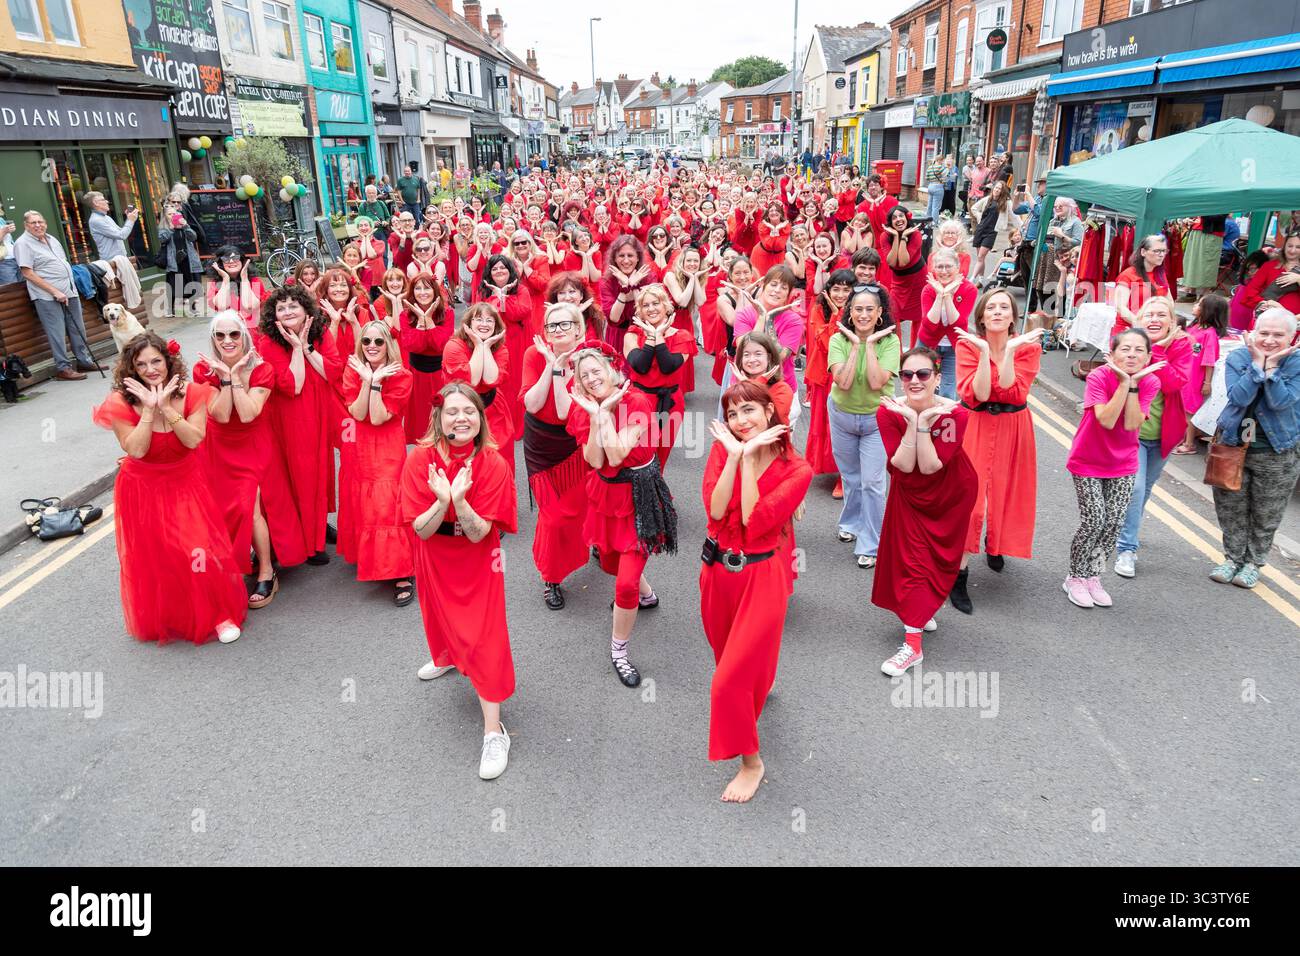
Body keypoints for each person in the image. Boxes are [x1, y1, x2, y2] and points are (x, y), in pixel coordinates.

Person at [91, 332, 246, 645]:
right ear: (132, 370)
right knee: (160, 555)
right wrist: (149, 411)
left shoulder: (193, 392)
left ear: (168, 361)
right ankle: (177, 614)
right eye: (141, 364)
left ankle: (218, 616)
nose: (151, 369)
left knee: (198, 547)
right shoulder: (121, 402)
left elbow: (193, 439)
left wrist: (167, 407)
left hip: (184, 480)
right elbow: (135, 449)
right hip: (141, 486)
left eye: (156, 361)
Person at [401, 383, 518, 780]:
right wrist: (440, 501)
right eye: (451, 411)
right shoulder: (420, 459)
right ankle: (450, 656)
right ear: (438, 418)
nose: (460, 418)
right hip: (434, 552)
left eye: (468, 411)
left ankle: (494, 731)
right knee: (441, 617)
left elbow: (477, 532)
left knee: (485, 637)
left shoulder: (493, 463)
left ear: (480, 419)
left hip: (478, 556)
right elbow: (419, 529)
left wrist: (460, 501)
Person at [701, 380, 811, 803]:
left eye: (749, 410)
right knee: (731, 660)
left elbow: (753, 519)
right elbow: (714, 508)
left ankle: (751, 762)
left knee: (725, 683)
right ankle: (754, 697)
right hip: (717, 574)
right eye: (732, 414)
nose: (740, 421)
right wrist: (734, 456)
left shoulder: (797, 470)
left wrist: (745, 459)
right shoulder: (721, 450)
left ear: (769, 413)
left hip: (762, 577)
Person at [567, 344, 677, 688]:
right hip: (606, 494)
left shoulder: (638, 402)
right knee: (611, 565)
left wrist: (602, 415)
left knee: (623, 582)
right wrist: (598, 414)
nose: (591, 378)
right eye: (584, 376)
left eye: (596, 371)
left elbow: (615, 453)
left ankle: (619, 652)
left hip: (639, 495)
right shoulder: (586, 408)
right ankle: (647, 596)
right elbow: (596, 461)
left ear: (611, 371)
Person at [873, 347, 977, 676]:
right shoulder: (888, 412)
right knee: (911, 558)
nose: (914, 380)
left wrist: (920, 423)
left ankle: (913, 643)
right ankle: (917, 624)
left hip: (950, 493)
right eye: (907, 375)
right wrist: (914, 421)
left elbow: (931, 465)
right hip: (909, 492)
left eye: (922, 374)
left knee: (933, 557)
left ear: (937, 378)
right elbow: (904, 464)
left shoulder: (955, 415)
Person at [951, 290, 1043, 614]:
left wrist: (1009, 350)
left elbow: (1010, 390)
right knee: (972, 503)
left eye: (1004, 307)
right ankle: (958, 574)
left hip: (1012, 425)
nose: (998, 312)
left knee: (1006, 493)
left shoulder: (1028, 347)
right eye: (991, 307)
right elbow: (978, 393)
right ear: (981, 316)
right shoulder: (967, 345)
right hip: (976, 423)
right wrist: (982, 353)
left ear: (1013, 315)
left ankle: (996, 544)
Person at [1064, 328, 1165, 608]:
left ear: (1147, 357)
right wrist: (1124, 383)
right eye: (1125, 349)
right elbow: (1107, 420)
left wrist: (1134, 385)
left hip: (1124, 463)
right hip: (1088, 460)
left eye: (1138, 350)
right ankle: (1075, 576)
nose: (1132, 355)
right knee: (1094, 520)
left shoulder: (1151, 382)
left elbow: (1133, 423)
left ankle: (1093, 576)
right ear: (1112, 354)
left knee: (1113, 524)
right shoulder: (1098, 376)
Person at [1209, 308, 1300, 589]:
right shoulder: (1238, 357)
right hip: (1232, 443)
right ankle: (1232, 559)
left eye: (1278, 335)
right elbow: (1238, 396)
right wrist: (1257, 366)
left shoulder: (1296, 364)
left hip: (1276, 450)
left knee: (1266, 512)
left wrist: (1272, 369)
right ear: (1253, 333)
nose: (1270, 340)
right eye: (1264, 333)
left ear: (1292, 336)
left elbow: (1281, 402)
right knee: (1230, 508)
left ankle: (1253, 563)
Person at [192, 311, 278, 608]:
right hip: (217, 447)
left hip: (251, 445)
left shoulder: (263, 369)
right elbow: (220, 414)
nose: (227, 341)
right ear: (213, 340)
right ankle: (231, 566)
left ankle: (266, 570)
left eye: (233, 334)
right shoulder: (203, 370)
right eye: (220, 335)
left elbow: (247, 413)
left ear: (244, 335)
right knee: (221, 510)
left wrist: (232, 377)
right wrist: (226, 377)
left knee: (248, 507)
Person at [256, 284, 342, 568]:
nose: (288, 311)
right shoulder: (268, 343)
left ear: (307, 310)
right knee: (293, 479)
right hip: (286, 420)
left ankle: (315, 535)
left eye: (294, 305)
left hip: (316, 415)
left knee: (317, 477)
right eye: (281, 308)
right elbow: (293, 385)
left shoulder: (321, 333)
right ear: (274, 316)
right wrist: (295, 349)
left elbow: (333, 371)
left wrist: (305, 346)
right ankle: (298, 541)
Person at [1112, 297, 1193, 578]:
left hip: (1163, 435)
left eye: (1162, 315)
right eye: (1149, 314)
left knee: (1143, 490)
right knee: (1134, 489)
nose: (1155, 319)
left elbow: (1173, 384)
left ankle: (1124, 527)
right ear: (1139, 319)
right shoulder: (1130, 344)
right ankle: (1126, 549)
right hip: (1132, 433)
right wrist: (1148, 348)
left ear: (1173, 322)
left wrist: (1155, 351)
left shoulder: (1182, 346)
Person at [338, 320, 414, 605]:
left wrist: (375, 383)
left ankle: (401, 570)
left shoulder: (403, 375)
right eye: (366, 342)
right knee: (366, 502)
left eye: (378, 342)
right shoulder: (353, 370)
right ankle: (373, 558)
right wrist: (368, 381)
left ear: (388, 345)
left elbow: (379, 416)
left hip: (388, 445)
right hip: (359, 445)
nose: (371, 346)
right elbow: (359, 414)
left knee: (387, 504)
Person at [521, 302, 590, 610]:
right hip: (541, 444)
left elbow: (566, 412)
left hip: (576, 443)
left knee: (577, 509)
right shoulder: (534, 355)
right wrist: (551, 366)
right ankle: (551, 578)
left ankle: (591, 546)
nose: (557, 330)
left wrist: (562, 366)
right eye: (551, 326)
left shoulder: (590, 359)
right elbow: (532, 404)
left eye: (565, 324)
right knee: (553, 517)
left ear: (579, 329)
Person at [827, 287, 900, 569]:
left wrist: (869, 346)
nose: (864, 315)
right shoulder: (838, 340)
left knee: (872, 483)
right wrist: (856, 344)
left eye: (870, 309)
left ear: (880, 313)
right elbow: (843, 383)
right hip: (842, 415)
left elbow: (875, 382)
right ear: (850, 312)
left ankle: (870, 542)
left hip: (876, 419)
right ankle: (851, 522)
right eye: (858, 309)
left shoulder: (890, 342)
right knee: (851, 477)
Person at [12, 211, 96, 380]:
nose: (37, 225)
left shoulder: (51, 239)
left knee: (77, 328)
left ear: (45, 223)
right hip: (46, 296)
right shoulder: (23, 243)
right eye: (33, 223)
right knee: (56, 333)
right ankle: (63, 368)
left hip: (69, 291)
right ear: (26, 226)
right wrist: (54, 291)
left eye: (40, 221)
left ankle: (83, 360)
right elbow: (27, 272)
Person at [624, 283, 695, 469]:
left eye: (656, 303)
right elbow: (640, 366)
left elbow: (668, 366)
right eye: (645, 305)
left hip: (670, 402)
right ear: (640, 311)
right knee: (638, 454)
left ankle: (656, 495)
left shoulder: (682, 336)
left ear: (666, 306)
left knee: (660, 455)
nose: (651, 309)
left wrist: (658, 336)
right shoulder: (632, 335)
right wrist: (651, 337)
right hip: (638, 400)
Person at [443, 303, 514, 474]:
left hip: (493, 407)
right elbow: (472, 381)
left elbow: (491, 379)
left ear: (496, 326)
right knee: (463, 461)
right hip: (460, 408)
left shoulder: (500, 349)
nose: (484, 324)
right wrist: (477, 343)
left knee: (497, 461)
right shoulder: (454, 346)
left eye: (489, 320)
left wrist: (486, 346)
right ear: (468, 323)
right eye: (479, 319)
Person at [804, 268, 853, 486]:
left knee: (843, 426)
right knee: (823, 424)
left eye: (846, 290)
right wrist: (836, 315)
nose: (841, 294)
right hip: (823, 374)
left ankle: (845, 476)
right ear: (828, 290)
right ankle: (832, 468)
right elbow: (827, 344)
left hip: (846, 375)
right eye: (836, 289)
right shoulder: (818, 309)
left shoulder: (860, 311)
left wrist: (840, 314)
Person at [1175, 293, 1231, 455]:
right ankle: (1180, 437)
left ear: (1208, 311)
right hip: (1184, 374)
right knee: (1180, 407)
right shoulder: (1194, 328)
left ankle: (1189, 443)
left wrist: (1207, 382)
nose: (1195, 307)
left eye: (1199, 305)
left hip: (1194, 378)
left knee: (1189, 411)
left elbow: (1208, 360)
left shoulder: (1209, 334)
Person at [918, 248, 978, 395]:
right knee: (924, 384)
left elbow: (957, 323)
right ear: (933, 269)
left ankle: (945, 418)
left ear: (957, 268)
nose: (944, 271)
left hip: (953, 346)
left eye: (948, 266)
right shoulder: (928, 290)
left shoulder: (969, 289)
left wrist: (948, 295)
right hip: (929, 343)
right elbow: (930, 325)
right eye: (939, 267)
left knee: (948, 388)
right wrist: (940, 294)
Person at [879, 206, 928, 342]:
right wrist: (896, 237)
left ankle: (916, 353)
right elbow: (893, 262)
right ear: (890, 221)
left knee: (919, 318)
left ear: (907, 217)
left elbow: (904, 261)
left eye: (901, 216)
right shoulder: (885, 236)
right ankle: (896, 353)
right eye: (894, 217)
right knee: (893, 314)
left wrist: (904, 237)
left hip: (918, 279)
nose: (898, 219)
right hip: (899, 281)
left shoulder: (916, 234)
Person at [1113, 234, 1171, 340]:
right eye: (1157, 251)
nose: (1161, 255)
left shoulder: (1161, 275)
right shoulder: (1127, 275)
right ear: (1143, 252)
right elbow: (1120, 308)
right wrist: (1141, 325)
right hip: (1128, 333)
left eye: (1164, 251)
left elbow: (1169, 304)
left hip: (1155, 332)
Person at [158, 198, 202, 317]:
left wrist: (186, 226)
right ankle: (170, 309)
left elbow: (193, 238)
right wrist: (171, 228)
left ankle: (193, 309)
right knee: (172, 286)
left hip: (187, 260)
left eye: (174, 213)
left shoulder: (183, 226)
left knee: (190, 284)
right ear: (165, 216)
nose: (173, 215)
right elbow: (162, 239)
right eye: (170, 214)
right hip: (173, 261)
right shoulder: (164, 228)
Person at [207, 245, 268, 329]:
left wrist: (244, 279)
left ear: (242, 261)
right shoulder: (214, 283)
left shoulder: (254, 281)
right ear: (220, 264)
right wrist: (225, 279)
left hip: (253, 327)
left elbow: (250, 306)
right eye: (226, 259)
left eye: (235, 258)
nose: (231, 261)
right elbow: (222, 306)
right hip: (229, 329)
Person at [1240, 231, 1300, 316]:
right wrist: (1264, 303)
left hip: (1295, 323)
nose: (1292, 250)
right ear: (1284, 246)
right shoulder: (1269, 266)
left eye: (1298, 247)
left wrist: (1298, 279)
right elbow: (1251, 290)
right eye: (1290, 246)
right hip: (1268, 317)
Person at [970, 181, 1011, 285]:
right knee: (981, 258)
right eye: (996, 188)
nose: (997, 190)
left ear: (1002, 191)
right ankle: (981, 279)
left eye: (999, 189)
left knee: (980, 256)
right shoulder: (987, 199)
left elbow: (1013, 214)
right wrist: (979, 216)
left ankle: (972, 279)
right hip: (980, 229)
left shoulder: (1004, 203)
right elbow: (973, 208)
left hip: (991, 232)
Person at [84, 191, 139, 261]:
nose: (107, 201)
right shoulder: (96, 220)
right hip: (112, 261)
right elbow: (121, 235)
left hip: (120, 259)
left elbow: (121, 232)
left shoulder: (106, 217)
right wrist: (130, 220)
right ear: (96, 203)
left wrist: (129, 218)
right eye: (103, 200)